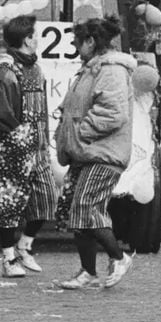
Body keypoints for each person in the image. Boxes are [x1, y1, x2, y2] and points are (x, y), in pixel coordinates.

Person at [54, 16, 137, 290]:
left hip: (103, 154)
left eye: (78, 42)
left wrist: (79, 132)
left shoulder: (110, 70)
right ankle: (88, 271)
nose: (76, 48)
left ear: (90, 42)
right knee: (76, 213)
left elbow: (113, 114)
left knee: (86, 208)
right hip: (88, 152)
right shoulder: (91, 69)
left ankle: (119, 256)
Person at [0, 14, 57, 277]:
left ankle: (25, 246)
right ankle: (8, 259)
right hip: (11, 148)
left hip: (37, 148)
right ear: (26, 39)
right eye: (35, 34)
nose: (38, 39)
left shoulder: (35, 68)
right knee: (8, 202)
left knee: (47, 198)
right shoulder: (6, 71)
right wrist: (19, 135)